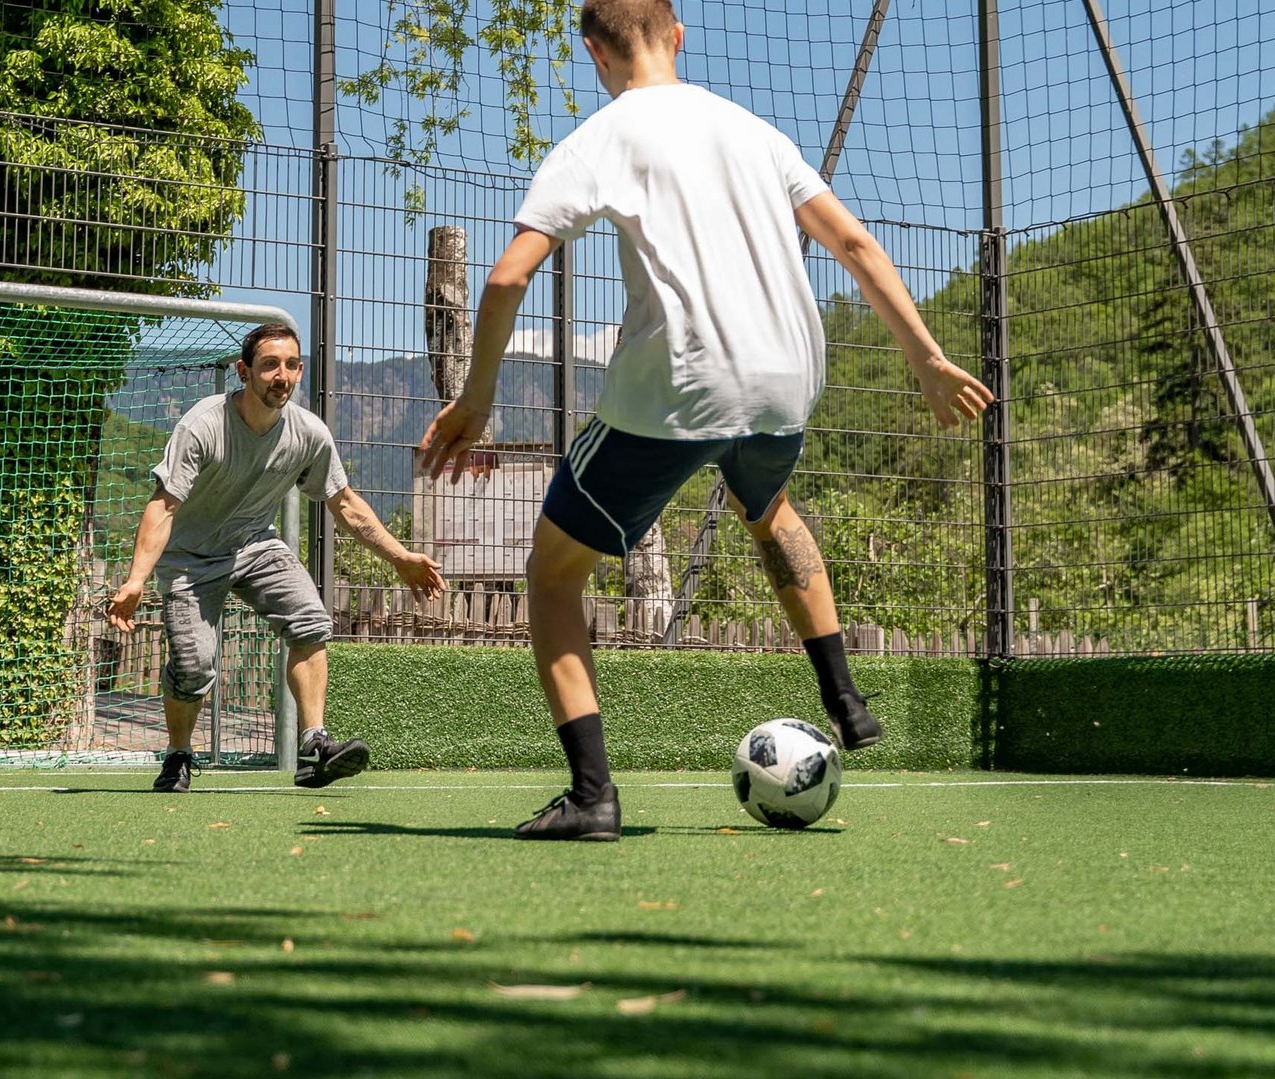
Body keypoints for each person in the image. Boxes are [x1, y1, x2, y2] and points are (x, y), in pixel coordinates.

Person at [418, 0, 994, 841]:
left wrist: (474, 399)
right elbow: (859, 247)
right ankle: (845, 697)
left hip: (679, 391)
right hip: (787, 380)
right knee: (767, 511)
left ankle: (592, 797)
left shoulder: (602, 137)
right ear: (677, 34)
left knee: (551, 577)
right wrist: (928, 360)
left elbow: (506, 280)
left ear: (593, 51)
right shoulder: (756, 132)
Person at [110, 322, 446, 792]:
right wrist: (136, 579)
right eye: (269, 365)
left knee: (310, 621)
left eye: (290, 365)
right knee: (194, 668)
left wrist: (401, 557)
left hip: (256, 545)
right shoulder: (203, 425)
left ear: (300, 371)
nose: (280, 375)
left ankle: (314, 747)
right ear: (245, 371)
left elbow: (345, 504)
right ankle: (179, 754)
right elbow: (164, 505)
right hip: (191, 558)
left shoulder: (308, 433)